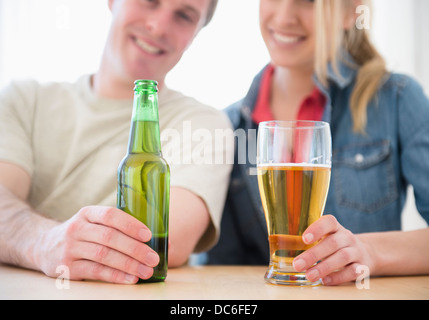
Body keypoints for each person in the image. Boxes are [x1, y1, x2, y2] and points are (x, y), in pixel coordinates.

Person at [0, 0, 233, 285]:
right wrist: (43, 241)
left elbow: (163, 245)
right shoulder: (23, 100)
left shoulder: (205, 125)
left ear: (196, 33)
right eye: (150, 1)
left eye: (184, 16)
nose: (158, 26)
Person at [207, 0, 429, 286]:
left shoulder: (397, 99)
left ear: (351, 12)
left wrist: (371, 251)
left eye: (308, 2)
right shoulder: (227, 126)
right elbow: (217, 268)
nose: (285, 17)